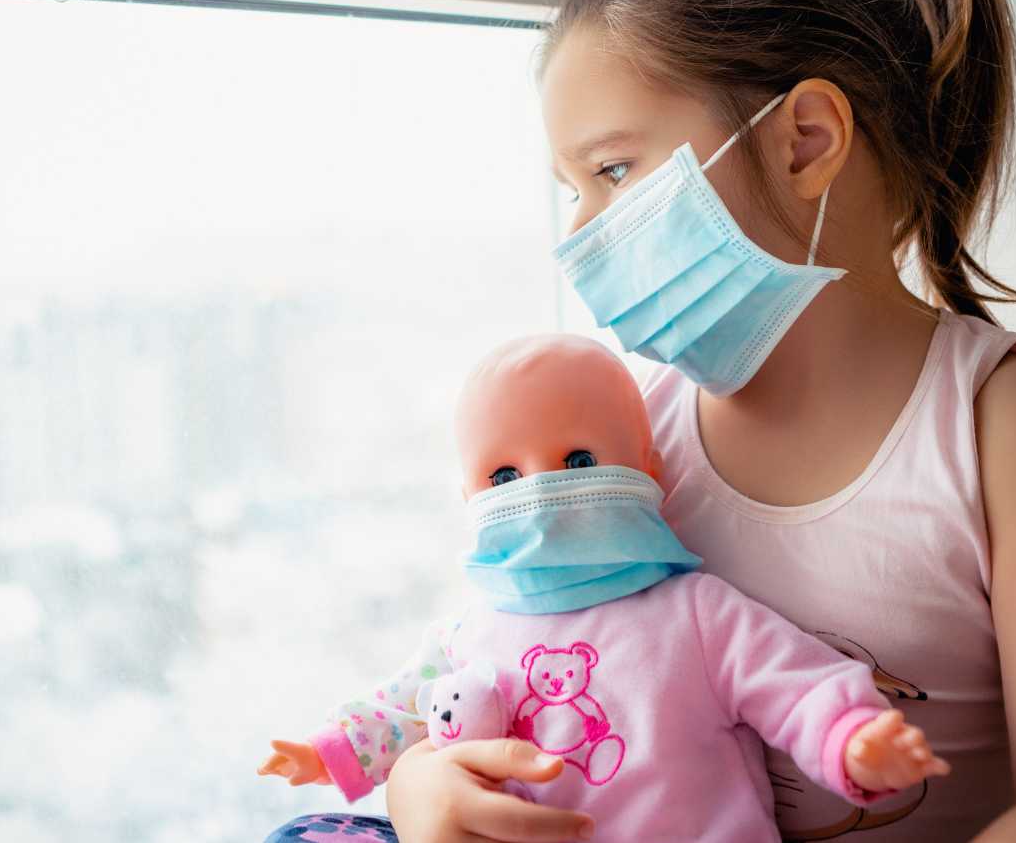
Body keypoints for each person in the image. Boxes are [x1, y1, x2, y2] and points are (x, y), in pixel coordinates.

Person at [266, 0, 1016, 843]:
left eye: (613, 170)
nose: (583, 229)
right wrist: (421, 784)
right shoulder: (635, 430)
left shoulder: (1007, 435)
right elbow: (513, 645)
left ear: (804, 141)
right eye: (571, 189)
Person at [259, 334, 950, 841]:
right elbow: (405, 705)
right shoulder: (468, 632)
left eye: (578, 460)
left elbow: (795, 683)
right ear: (467, 495)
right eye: (503, 476)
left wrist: (851, 737)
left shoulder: (694, 614)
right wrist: (328, 750)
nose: (539, 486)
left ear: (649, 468)